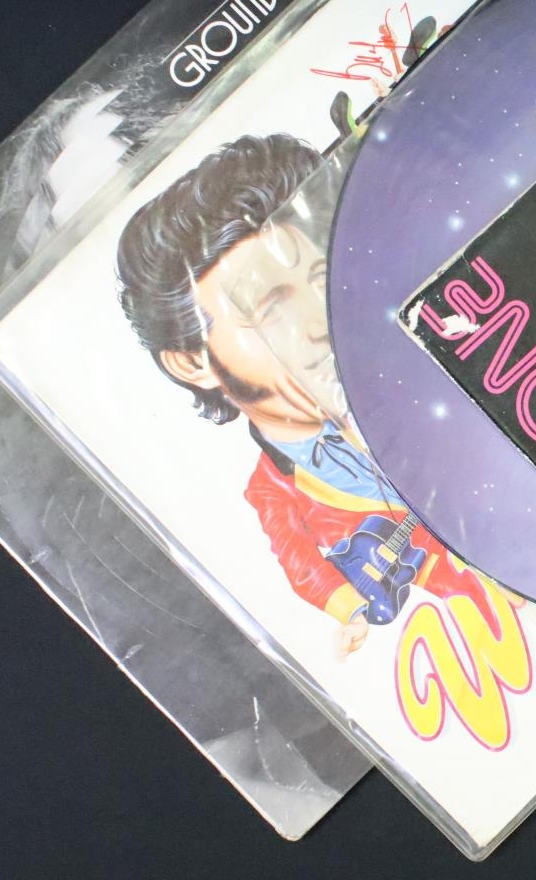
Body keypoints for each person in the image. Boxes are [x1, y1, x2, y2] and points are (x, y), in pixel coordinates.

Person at [116, 133, 493, 655]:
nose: (318, 322)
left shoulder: (413, 376)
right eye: (270, 309)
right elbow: (298, 560)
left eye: (320, 281)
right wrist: (349, 611)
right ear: (191, 362)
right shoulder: (274, 490)